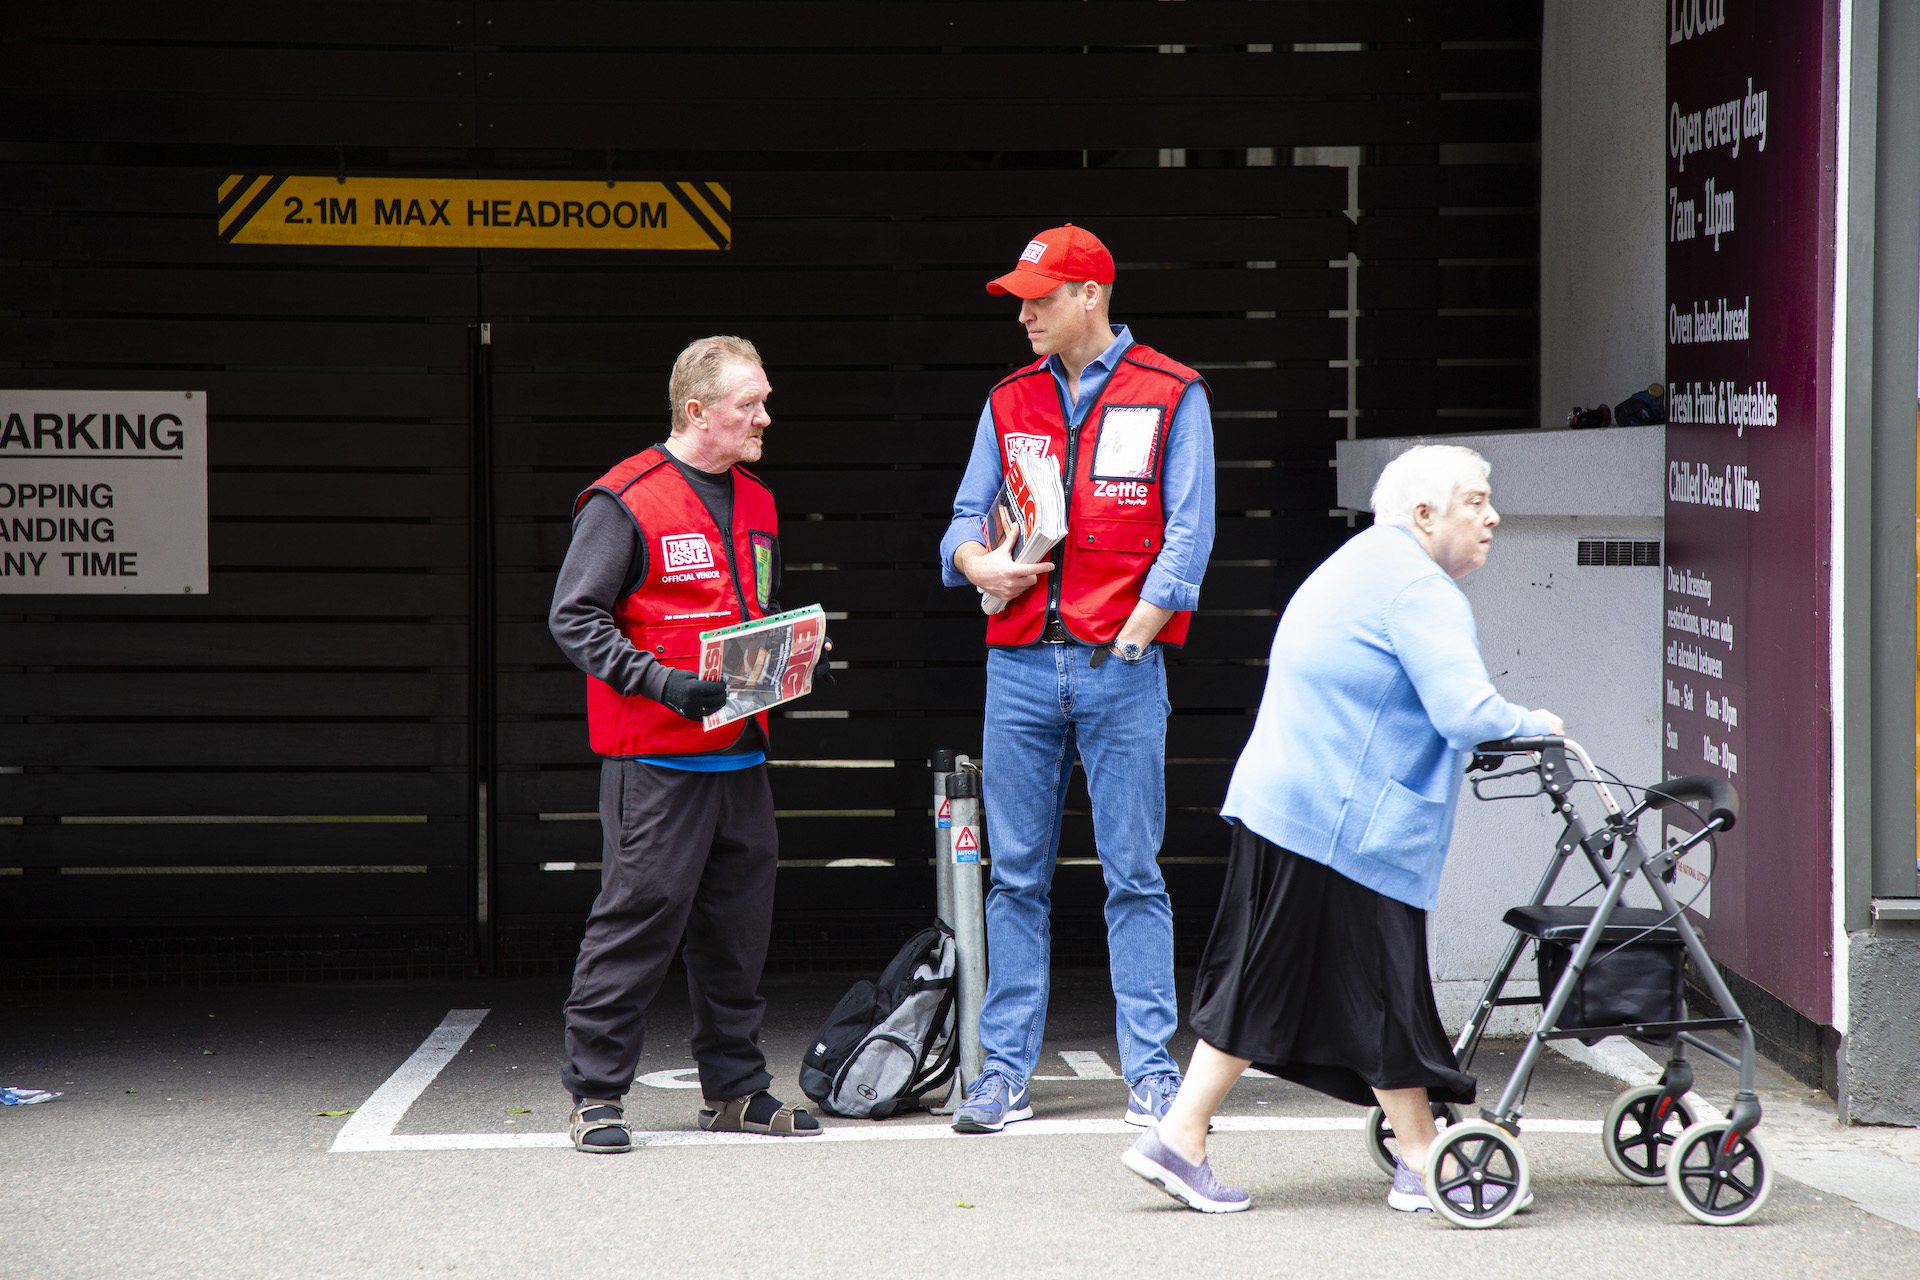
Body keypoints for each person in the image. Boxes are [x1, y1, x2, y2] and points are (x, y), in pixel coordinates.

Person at [1120, 444, 1563, 1213]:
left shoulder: (1359, 562)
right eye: (1476, 501)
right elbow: (1465, 712)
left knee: (1277, 979)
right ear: (1425, 514)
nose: (1492, 517)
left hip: (1290, 801)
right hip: (1345, 821)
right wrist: (1539, 724)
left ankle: (1184, 1135)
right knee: (1377, 985)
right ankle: (1421, 1158)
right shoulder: (1420, 590)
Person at [938, 225, 1216, 1133]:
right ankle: (1004, 1073)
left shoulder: (1171, 392)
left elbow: (1191, 527)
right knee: (1014, 877)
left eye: (1041, 296)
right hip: (1016, 664)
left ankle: (1152, 1073)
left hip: (1118, 663)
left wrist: (1140, 630)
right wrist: (979, 566)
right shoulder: (1009, 397)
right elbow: (962, 520)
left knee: (1133, 873)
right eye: (1020, 297)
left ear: (1091, 294)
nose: (1024, 313)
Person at [549, 335, 821, 1153]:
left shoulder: (761, 501)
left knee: (737, 933)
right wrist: (659, 682)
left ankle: (735, 1089)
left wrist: (798, 656)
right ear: (697, 411)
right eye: (750, 405)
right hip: (657, 761)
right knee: (637, 923)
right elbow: (574, 617)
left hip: (740, 757)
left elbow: (749, 611)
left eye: (764, 400)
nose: (765, 416)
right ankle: (595, 1096)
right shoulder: (624, 499)